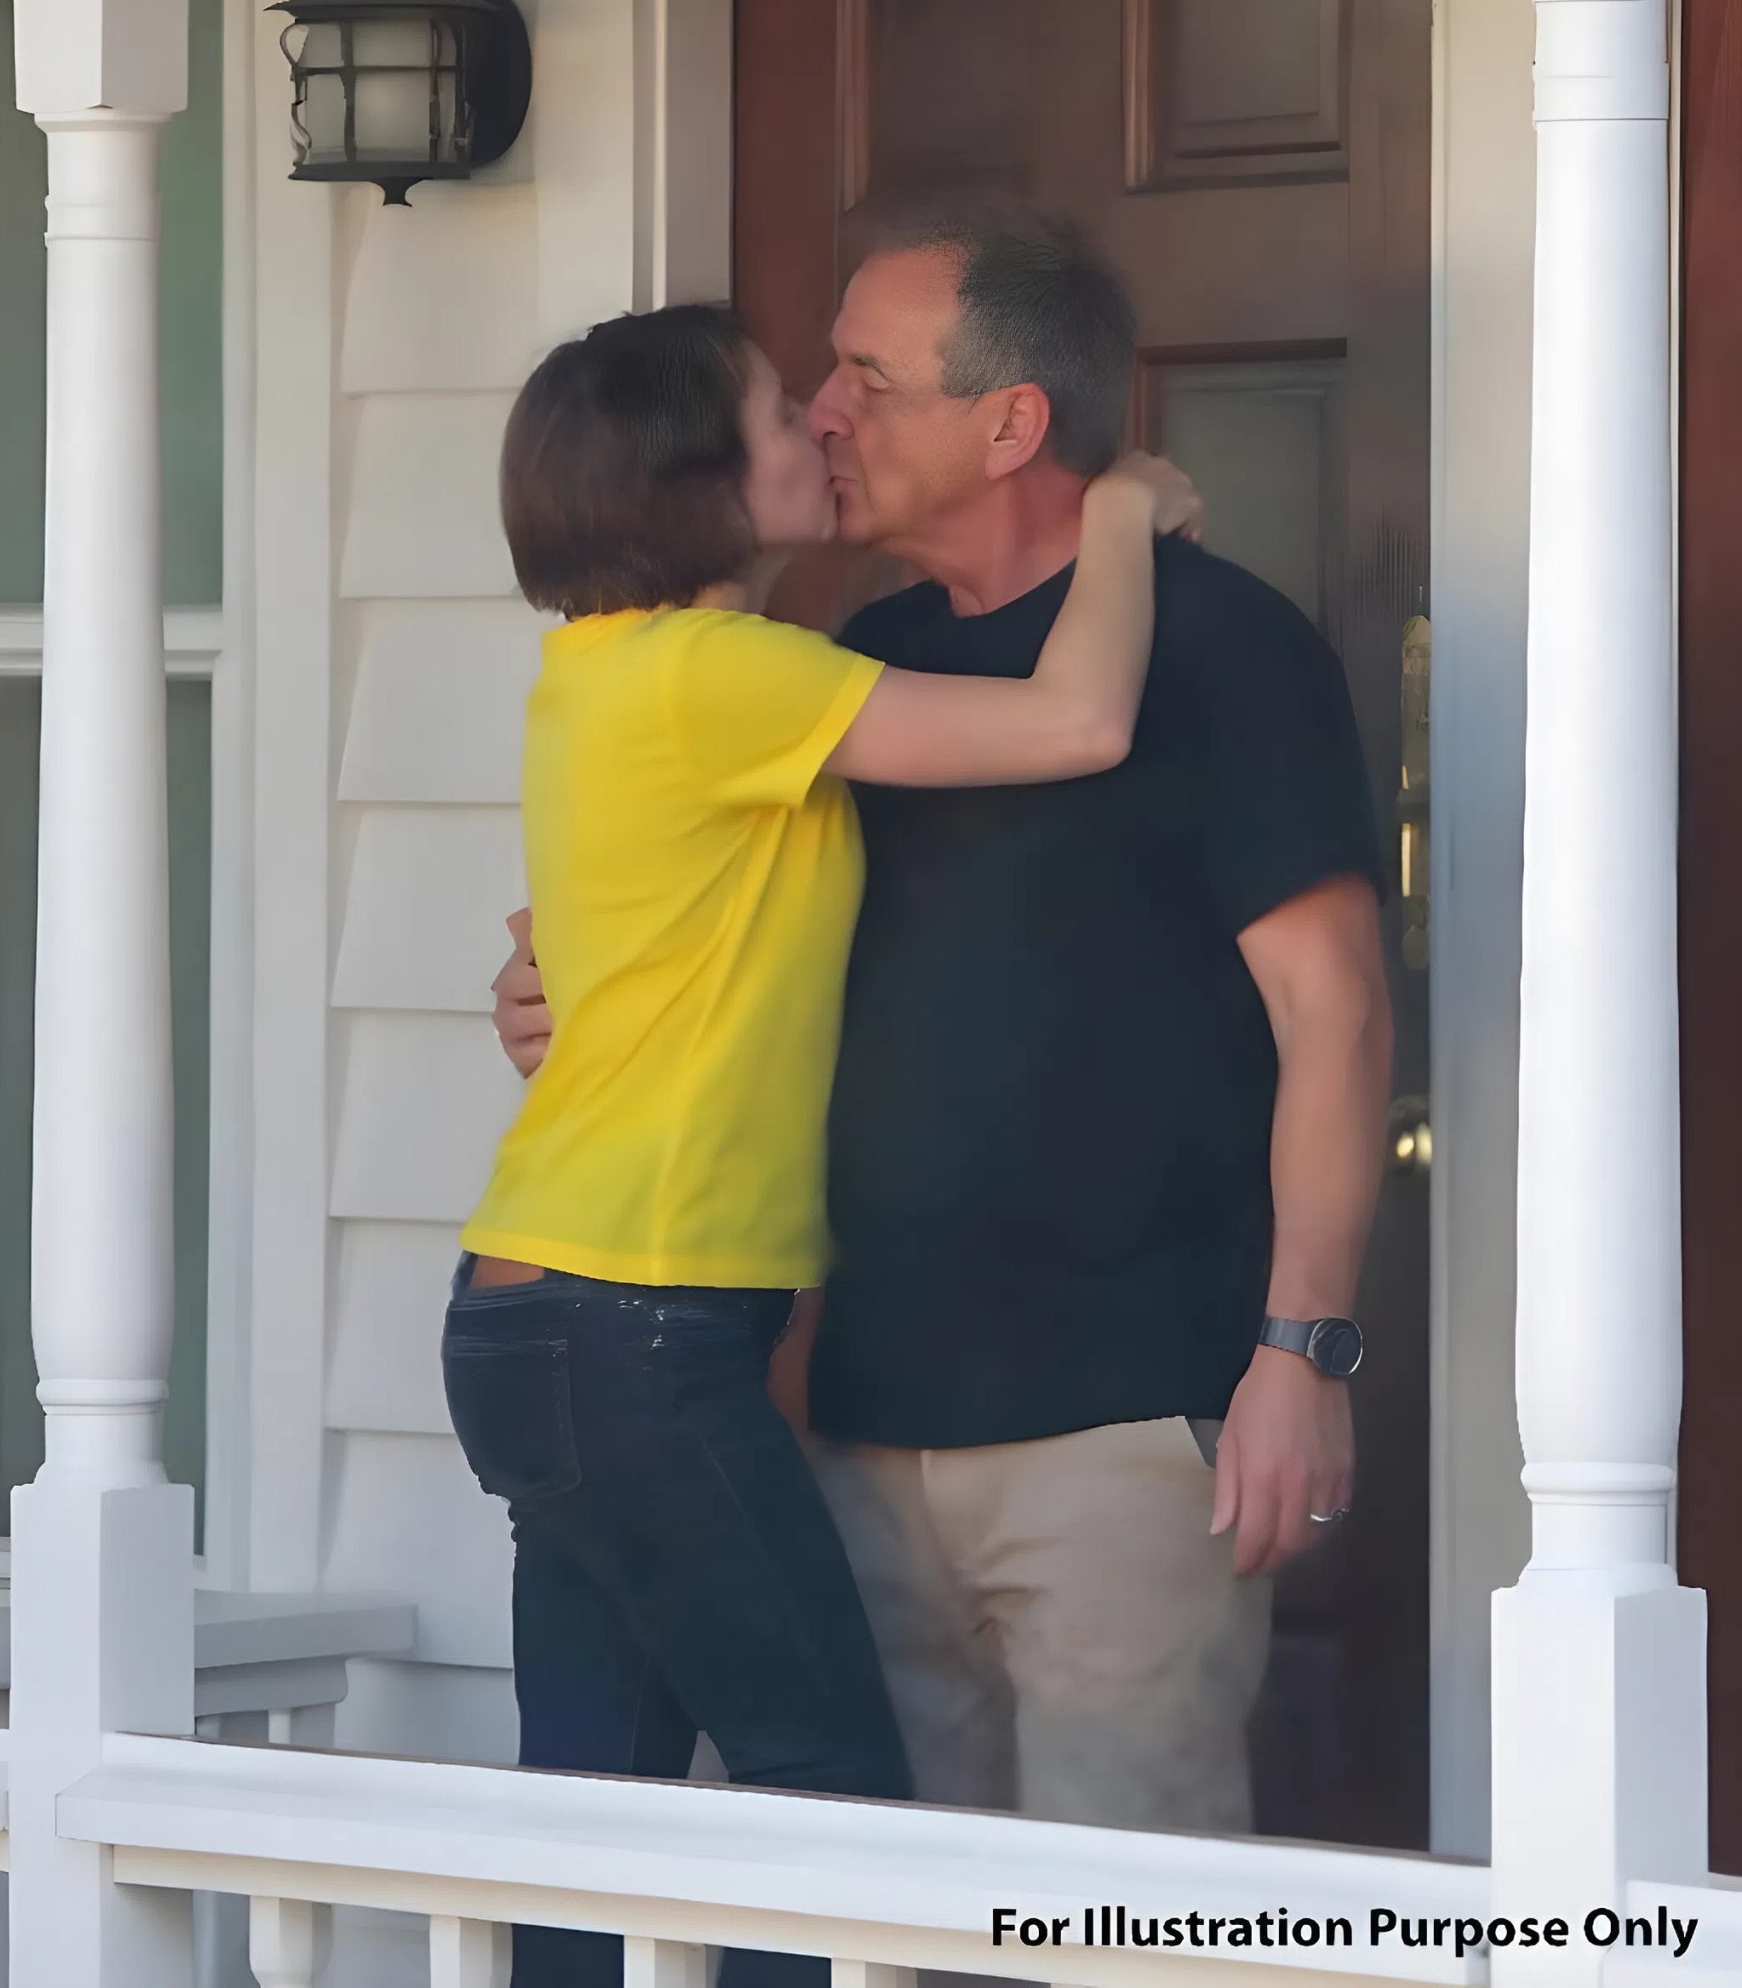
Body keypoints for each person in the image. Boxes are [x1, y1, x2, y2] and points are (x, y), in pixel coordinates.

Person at [493, 205, 1390, 1839]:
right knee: (874, 1911)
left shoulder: (1223, 650)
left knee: (1120, 1925)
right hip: (851, 1424)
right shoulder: (854, 667)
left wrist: (1301, 1351)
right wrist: (564, 994)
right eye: (815, 386)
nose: (826, 413)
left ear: (1008, 422)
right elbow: (713, 932)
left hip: (1121, 1432)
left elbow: (1334, 1019)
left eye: (865, 378)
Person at [444, 298, 1198, 1988]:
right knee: (823, 1812)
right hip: (636, 1323)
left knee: (592, 1828)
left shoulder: (603, 675)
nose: (821, 429)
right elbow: (1077, 723)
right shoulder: (719, 675)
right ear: (698, 480)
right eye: (783, 415)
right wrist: (1122, 509)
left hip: (541, 1317)